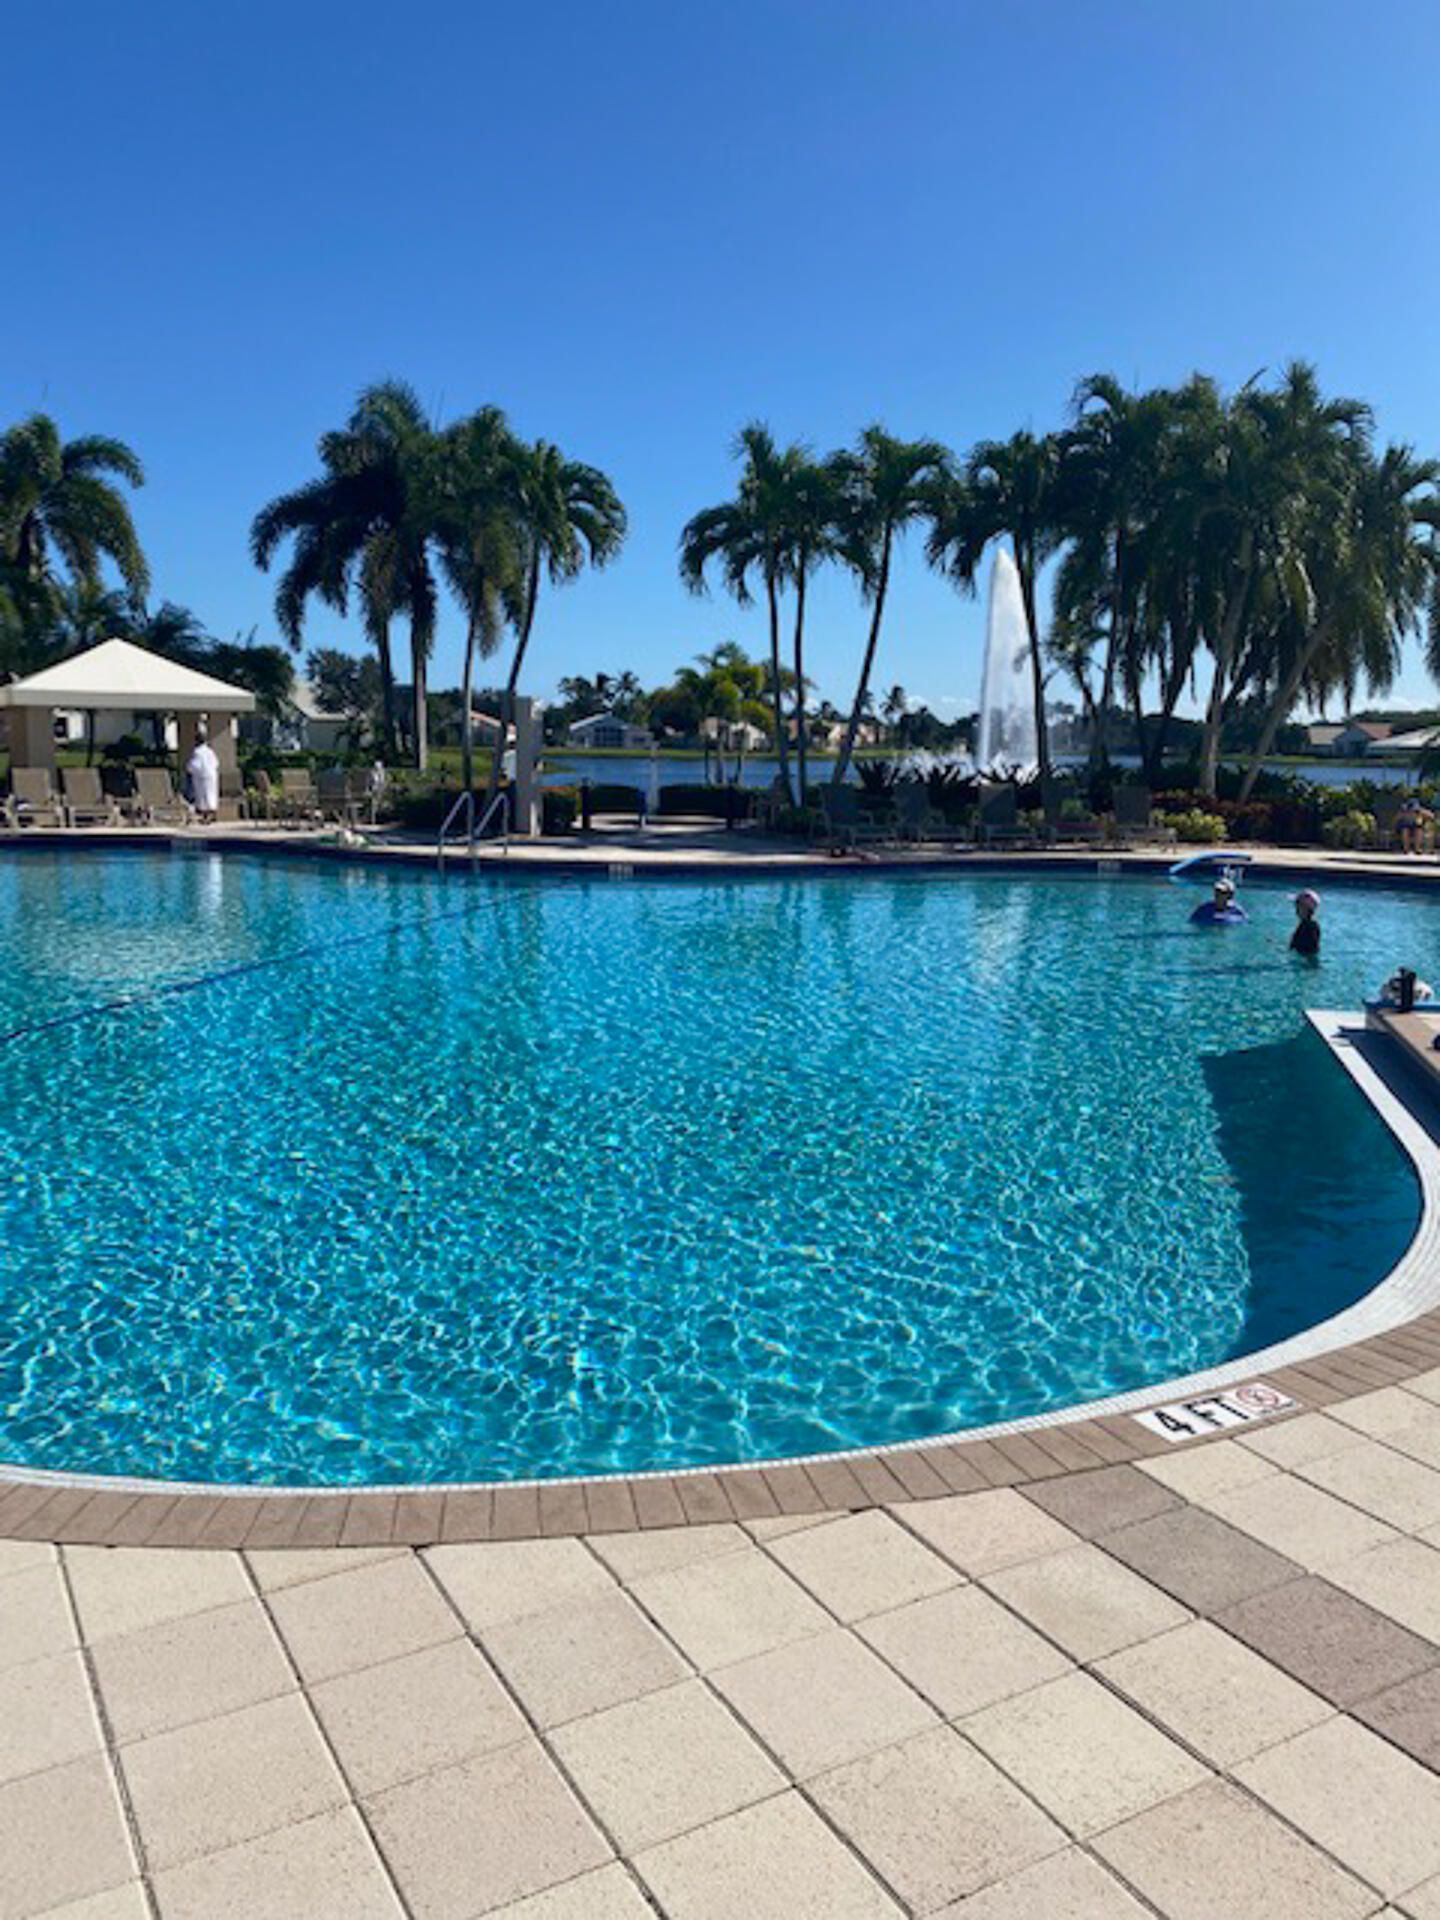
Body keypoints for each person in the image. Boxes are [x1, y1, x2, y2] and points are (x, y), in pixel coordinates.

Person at [185, 727, 220, 824]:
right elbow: (216, 763)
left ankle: (206, 816)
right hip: (212, 776)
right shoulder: (210, 751)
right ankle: (211, 814)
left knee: (204, 796)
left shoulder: (197, 752)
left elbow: (195, 765)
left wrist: (188, 768)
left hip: (203, 777)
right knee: (211, 795)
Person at [1290, 889, 1321, 957]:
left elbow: (1308, 951)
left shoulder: (1310, 927)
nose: (1296, 910)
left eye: (1297, 906)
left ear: (1305, 908)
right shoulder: (1305, 924)